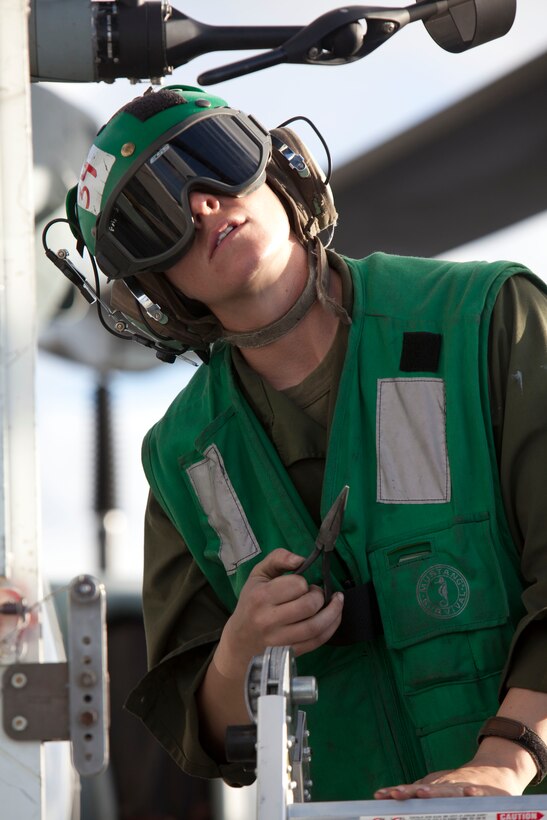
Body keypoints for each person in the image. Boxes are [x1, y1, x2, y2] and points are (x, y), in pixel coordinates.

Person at [65, 83, 547, 802]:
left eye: (211, 159)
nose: (200, 204)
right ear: (154, 289)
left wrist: (502, 763)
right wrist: (239, 653)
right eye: (152, 217)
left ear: (277, 166)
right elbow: (211, 733)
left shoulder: (485, 321)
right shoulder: (183, 457)